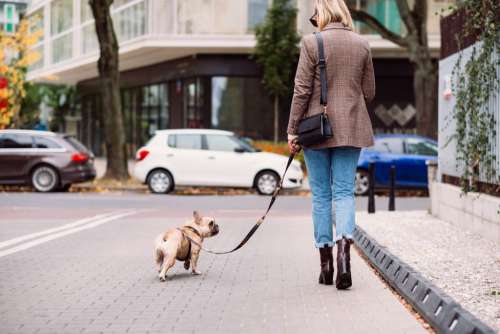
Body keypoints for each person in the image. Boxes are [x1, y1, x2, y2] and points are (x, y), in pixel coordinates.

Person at [287, 0, 375, 289]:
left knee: (322, 196)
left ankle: (325, 267)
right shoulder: (362, 44)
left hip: (315, 129)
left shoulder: (312, 44)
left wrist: (291, 131)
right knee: (344, 193)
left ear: (321, 15)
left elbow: (301, 90)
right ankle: (344, 259)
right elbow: (370, 91)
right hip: (351, 127)